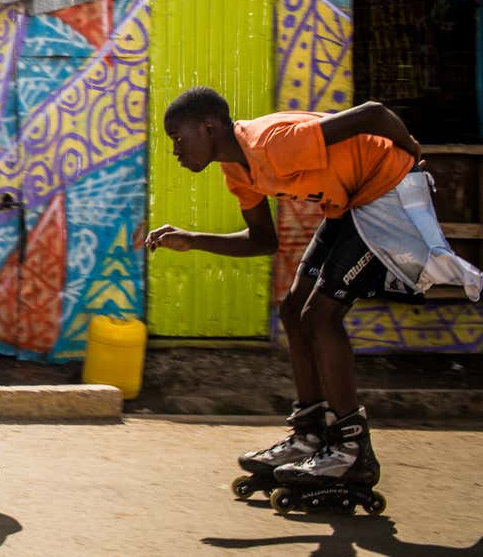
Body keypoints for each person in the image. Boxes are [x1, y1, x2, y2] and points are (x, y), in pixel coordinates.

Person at [146, 86, 432, 496]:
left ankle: (351, 449)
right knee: (294, 309)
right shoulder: (237, 170)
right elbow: (263, 241)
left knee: (321, 314)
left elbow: (374, 113)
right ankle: (310, 434)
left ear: (208, 127)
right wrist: (192, 239)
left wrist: (414, 153)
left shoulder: (273, 143)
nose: (174, 149)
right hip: (351, 203)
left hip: (391, 191)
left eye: (177, 136)